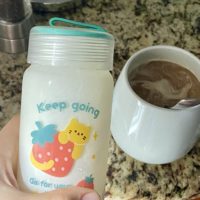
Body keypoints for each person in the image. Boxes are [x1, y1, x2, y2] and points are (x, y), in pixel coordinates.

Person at [0, 115, 100, 200]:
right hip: (34, 179)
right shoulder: (60, 137)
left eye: (82, 135)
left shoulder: (74, 146)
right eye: (76, 132)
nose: (78, 134)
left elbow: (75, 155)